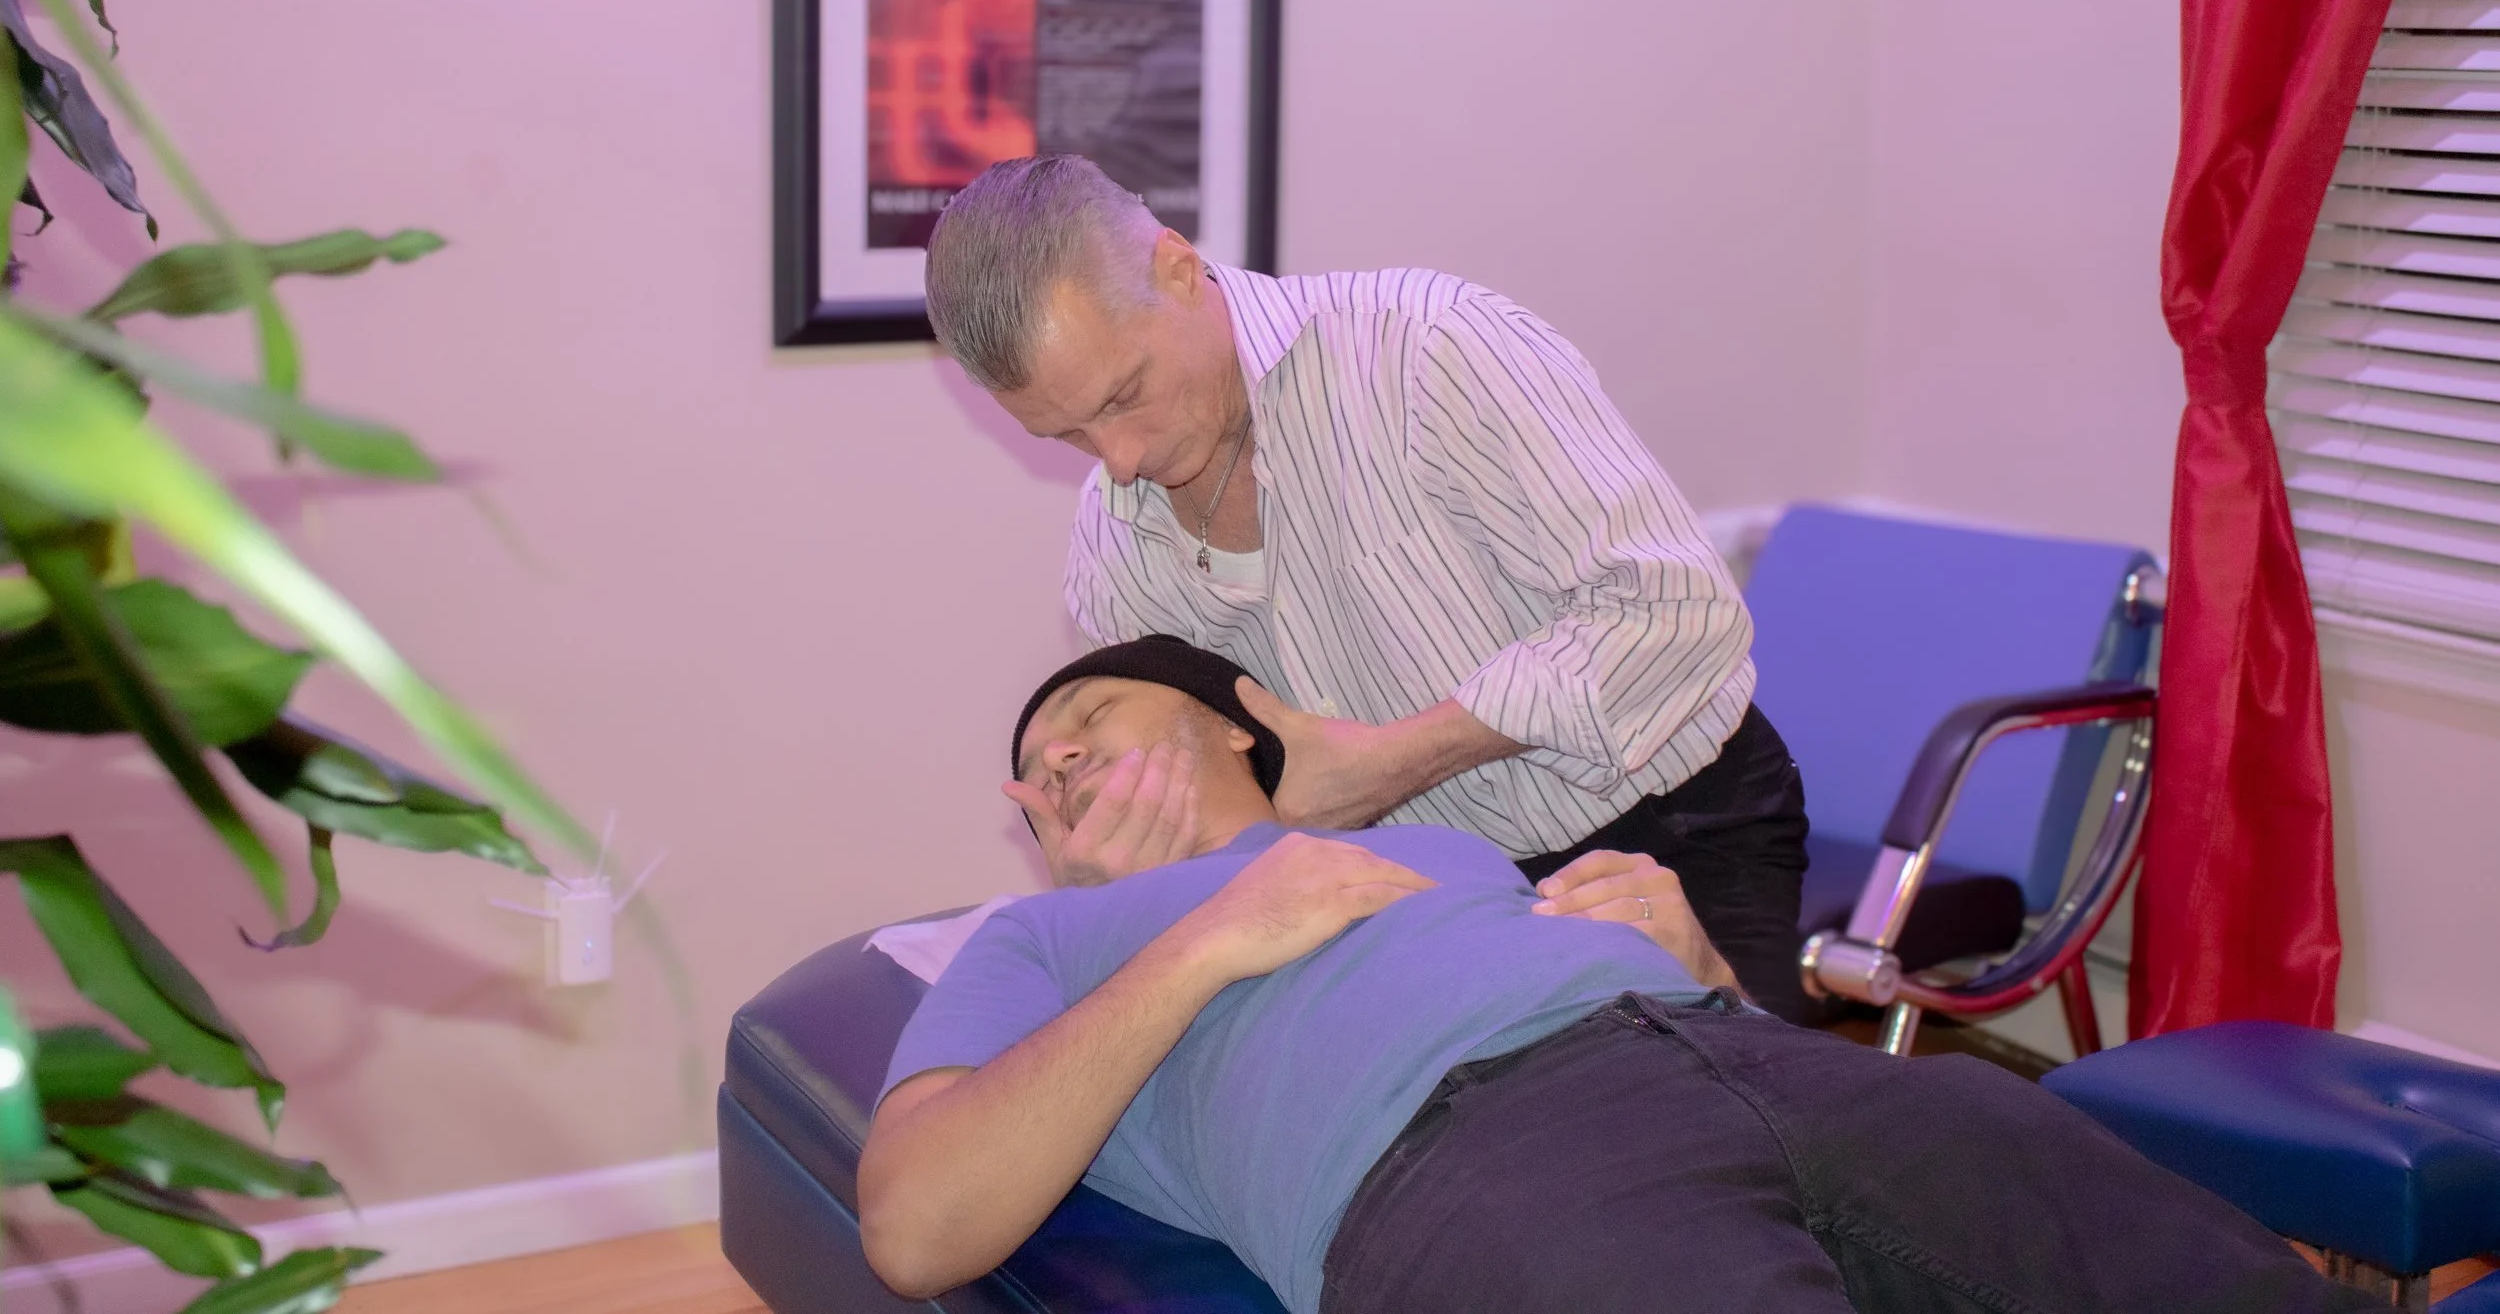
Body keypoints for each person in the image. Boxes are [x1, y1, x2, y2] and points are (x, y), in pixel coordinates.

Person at [858, 637, 2371, 1314]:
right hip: (1468, 1162)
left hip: (1752, 1062)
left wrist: (1706, 966)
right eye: (1036, 774)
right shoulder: (1036, 944)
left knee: (2195, 1267)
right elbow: (915, 1223)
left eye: (1088, 717)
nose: (1055, 765)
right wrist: (1209, 938)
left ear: (1235, 727)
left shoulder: (1441, 842)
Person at [922, 154, 1813, 1018]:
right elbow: (1219, 819)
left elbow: (1674, 613)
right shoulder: (1113, 553)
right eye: (1068, 435)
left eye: (1123, 396)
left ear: (1180, 270)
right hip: (1425, 904)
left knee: (1738, 1105)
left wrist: (1395, 759)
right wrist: (1115, 875)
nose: (1117, 461)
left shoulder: (1429, 348)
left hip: (1672, 825)